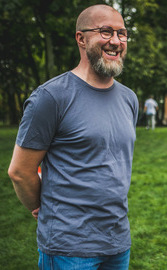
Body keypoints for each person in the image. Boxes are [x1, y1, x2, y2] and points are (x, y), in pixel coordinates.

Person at [8, 4, 138, 270]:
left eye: (122, 34)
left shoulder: (129, 99)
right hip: (69, 248)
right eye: (105, 32)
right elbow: (20, 171)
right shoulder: (51, 97)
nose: (116, 41)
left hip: (118, 242)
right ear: (81, 38)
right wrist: (42, 206)